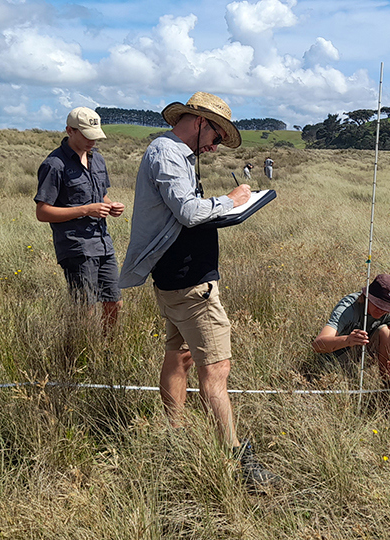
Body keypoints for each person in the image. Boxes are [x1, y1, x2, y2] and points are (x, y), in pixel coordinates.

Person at [117, 92, 274, 488]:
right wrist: (233, 199)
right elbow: (187, 212)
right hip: (190, 282)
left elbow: (183, 208)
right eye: (217, 135)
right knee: (216, 368)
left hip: (179, 277)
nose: (216, 145)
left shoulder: (173, 153)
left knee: (180, 353)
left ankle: (176, 435)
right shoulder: (167, 153)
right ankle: (237, 459)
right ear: (199, 121)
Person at [34, 107, 125, 333]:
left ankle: (107, 352)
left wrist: (110, 205)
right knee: (85, 308)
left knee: (115, 303)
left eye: (95, 136)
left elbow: (100, 195)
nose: (92, 141)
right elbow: (43, 212)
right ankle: (83, 352)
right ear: (69, 131)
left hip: (103, 243)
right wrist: (86, 210)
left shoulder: (98, 160)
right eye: (86, 136)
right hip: (76, 247)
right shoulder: (54, 165)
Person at [311, 274, 390, 381]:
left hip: (364, 356)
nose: (382, 310)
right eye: (378, 304)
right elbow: (317, 345)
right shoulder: (348, 307)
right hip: (335, 361)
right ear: (368, 296)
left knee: (387, 332)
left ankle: (387, 385)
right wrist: (347, 340)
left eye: (387, 307)